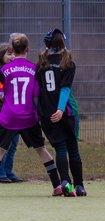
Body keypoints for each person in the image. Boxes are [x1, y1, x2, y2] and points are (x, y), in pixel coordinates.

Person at [0, 33, 62, 195]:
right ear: (28, 49)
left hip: (9, 117)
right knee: (41, 149)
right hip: (28, 117)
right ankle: (57, 186)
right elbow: (36, 93)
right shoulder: (34, 69)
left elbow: (2, 93)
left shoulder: (4, 70)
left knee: (0, 150)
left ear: (12, 49)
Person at [36, 28, 86, 197]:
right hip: (66, 111)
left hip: (46, 113)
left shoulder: (41, 64)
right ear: (63, 43)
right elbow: (65, 89)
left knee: (61, 149)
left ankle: (65, 182)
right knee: (73, 148)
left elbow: (37, 90)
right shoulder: (68, 62)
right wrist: (60, 109)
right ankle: (79, 186)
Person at [0, 43, 24, 183]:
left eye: (14, 53)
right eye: (9, 54)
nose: (13, 56)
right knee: (4, 144)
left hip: (15, 115)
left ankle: (9, 171)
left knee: (14, 144)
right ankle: (1, 172)